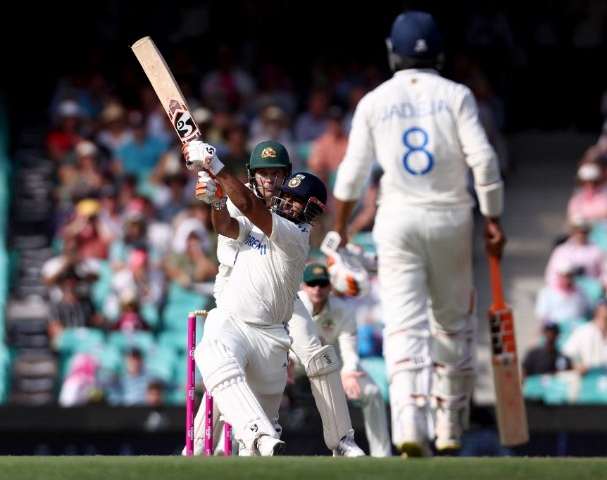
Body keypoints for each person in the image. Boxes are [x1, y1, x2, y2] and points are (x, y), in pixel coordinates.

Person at [329, 10, 506, 457]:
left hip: (397, 218)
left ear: (393, 54)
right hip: (451, 216)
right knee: (452, 323)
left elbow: (351, 175)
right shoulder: (458, 95)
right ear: (440, 54)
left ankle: (409, 422)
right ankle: (448, 425)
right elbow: (483, 163)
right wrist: (494, 220)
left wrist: (341, 230)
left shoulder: (373, 101)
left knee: (404, 325)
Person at [185, 140, 365, 457]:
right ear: (253, 175)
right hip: (238, 294)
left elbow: (252, 208)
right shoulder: (236, 199)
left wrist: (214, 165)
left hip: (282, 297)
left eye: (276, 174)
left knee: (319, 357)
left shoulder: (288, 222)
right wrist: (215, 200)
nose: (269, 180)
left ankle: (342, 440)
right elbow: (231, 223)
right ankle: (199, 446)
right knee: (221, 362)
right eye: (264, 173)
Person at [294, 263, 392, 457]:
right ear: (303, 286)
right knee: (265, 380)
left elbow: (349, 348)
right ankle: (253, 446)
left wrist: (349, 372)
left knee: (372, 392)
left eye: (322, 284)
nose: (317, 289)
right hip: (295, 362)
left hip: (333, 364)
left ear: (330, 286)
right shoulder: (294, 304)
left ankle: (382, 456)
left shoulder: (343, 310)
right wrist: (284, 361)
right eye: (312, 284)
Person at [562, 295, 607, 376]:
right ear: (597, 310)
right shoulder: (584, 330)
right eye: (605, 306)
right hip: (589, 378)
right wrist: (576, 365)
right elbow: (566, 355)